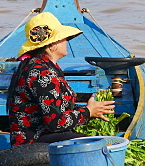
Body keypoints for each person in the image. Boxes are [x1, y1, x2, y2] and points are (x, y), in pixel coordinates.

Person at [7, 12, 115, 146]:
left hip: (44, 135)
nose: (66, 42)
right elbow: (56, 123)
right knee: (94, 144)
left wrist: (91, 109)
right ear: (52, 45)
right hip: (32, 141)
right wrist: (88, 112)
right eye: (63, 38)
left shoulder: (45, 66)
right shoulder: (41, 72)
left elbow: (58, 107)